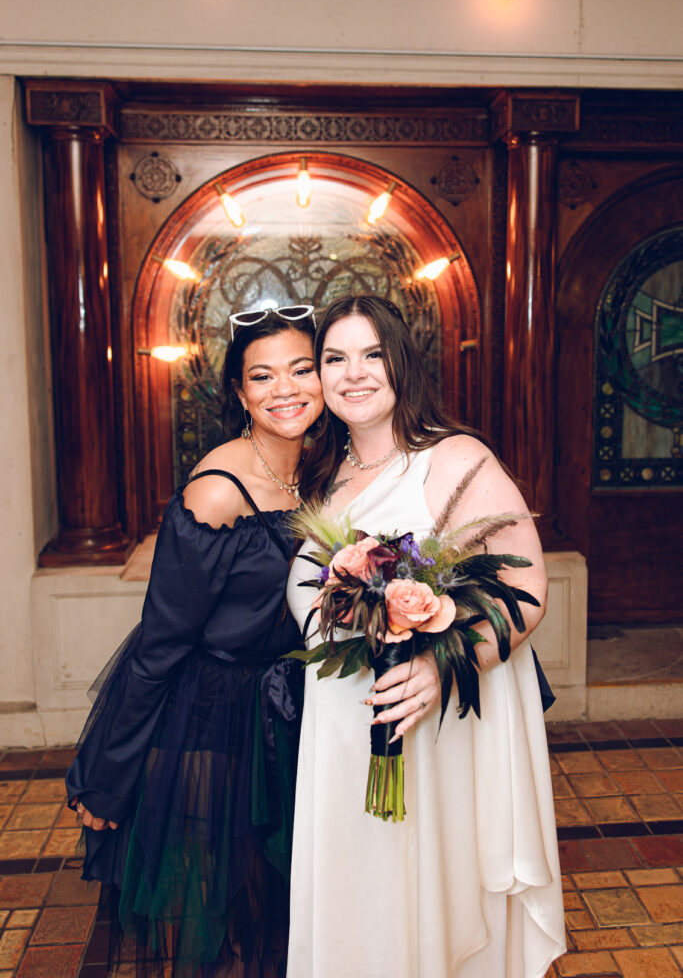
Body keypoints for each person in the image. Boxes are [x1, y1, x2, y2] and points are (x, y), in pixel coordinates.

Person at [287, 295, 566, 978]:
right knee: (356, 883)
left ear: (401, 364)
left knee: (424, 882)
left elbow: (524, 588)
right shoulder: (323, 476)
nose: (353, 373)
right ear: (318, 376)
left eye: (371, 354)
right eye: (334, 358)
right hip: (341, 726)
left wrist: (444, 667)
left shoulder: (450, 458)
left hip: (430, 724)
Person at [66, 306, 325, 978]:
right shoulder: (216, 491)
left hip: (302, 701)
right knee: (234, 899)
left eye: (301, 369)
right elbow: (160, 644)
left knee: (304, 892)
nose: (286, 388)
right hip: (223, 708)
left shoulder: (323, 467)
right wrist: (109, 778)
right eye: (263, 376)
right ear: (240, 394)